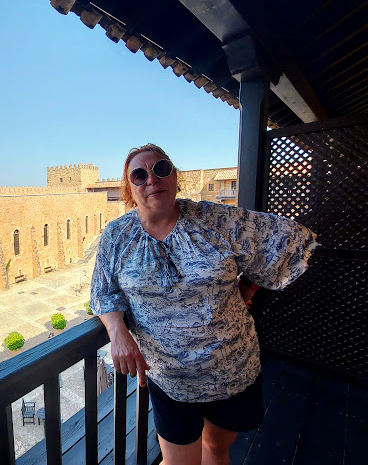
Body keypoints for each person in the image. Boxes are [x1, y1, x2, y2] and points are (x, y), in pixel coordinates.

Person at [90, 144, 317, 465]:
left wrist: (249, 287)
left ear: (175, 177)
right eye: (139, 175)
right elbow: (104, 291)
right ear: (129, 190)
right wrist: (117, 332)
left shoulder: (216, 220)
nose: (152, 179)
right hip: (169, 378)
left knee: (216, 449)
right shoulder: (117, 235)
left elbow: (283, 241)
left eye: (161, 168)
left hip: (232, 369)